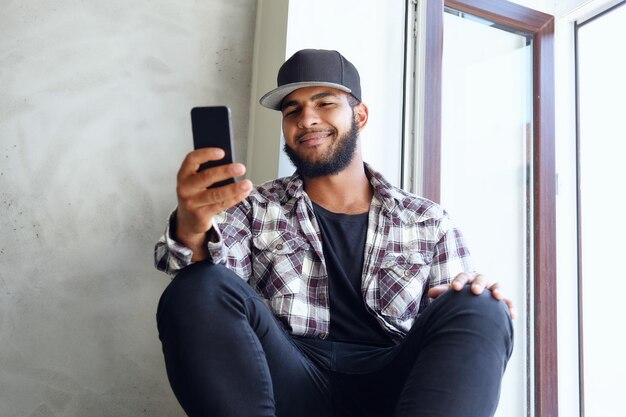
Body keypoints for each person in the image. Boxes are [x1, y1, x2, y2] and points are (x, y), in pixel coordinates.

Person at [155, 49, 514, 417]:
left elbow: (453, 327)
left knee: (482, 303)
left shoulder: (427, 220)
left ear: (359, 115)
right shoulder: (253, 206)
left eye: (325, 103)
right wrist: (193, 226)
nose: (306, 119)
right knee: (198, 284)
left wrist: (474, 297)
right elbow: (206, 291)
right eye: (292, 110)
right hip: (290, 376)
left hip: (395, 383)